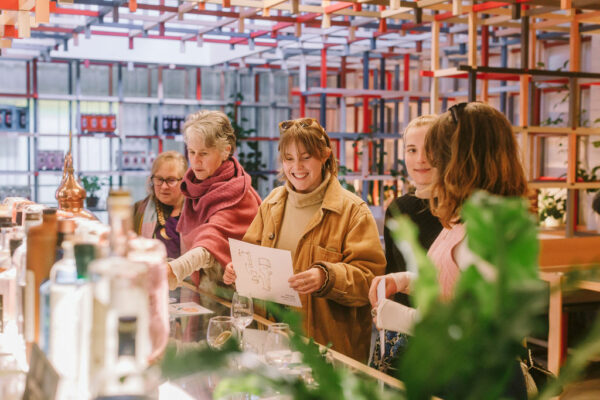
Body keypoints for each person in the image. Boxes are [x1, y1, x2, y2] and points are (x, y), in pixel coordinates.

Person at [369, 102, 529, 397]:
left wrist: (401, 318)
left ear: (466, 158)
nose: (431, 160)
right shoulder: (462, 213)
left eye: (440, 151)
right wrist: (404, 280)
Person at [223, 117, 385, 362]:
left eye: (306, 156)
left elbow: (369, 281)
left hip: (328, 356)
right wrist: (237, 272)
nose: (296, 166)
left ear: (325, 155)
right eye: (289, 159)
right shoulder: (272, 204)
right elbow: (250, 256)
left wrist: (326, 277)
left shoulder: (353, 211)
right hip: (271, 345)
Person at [370, 115, 443, 373]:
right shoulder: (399, 208)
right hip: (403, 334)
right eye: (412, 150)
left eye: (430, 149)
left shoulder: (458, 211)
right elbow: (393, 272)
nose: (420, 159)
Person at [167, 110, 261, 292]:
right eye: (191, 152)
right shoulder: (195, 186)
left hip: (236, 297)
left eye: (204, 153)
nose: (195, 161)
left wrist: (175, 269)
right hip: (202, 290)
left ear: (225, 151)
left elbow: (211, 241)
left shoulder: (239, 193)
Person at [134, 151, 187, 260]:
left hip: (186, 276)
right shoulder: (138, 210)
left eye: (171, 180)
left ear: (184, 180)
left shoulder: (197, 211)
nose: (163, 187)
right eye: (159, 179)